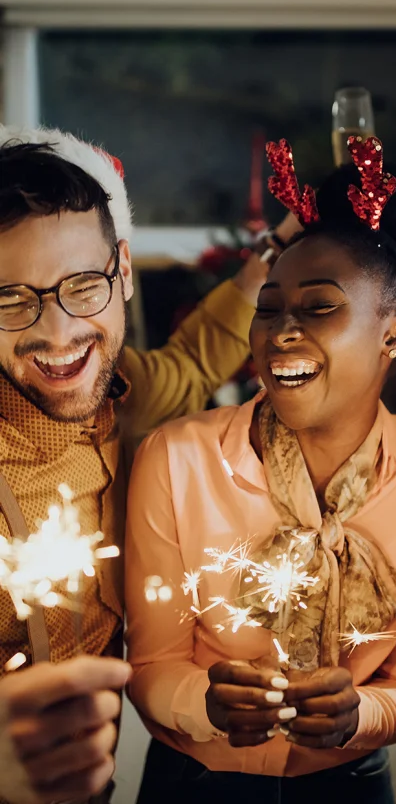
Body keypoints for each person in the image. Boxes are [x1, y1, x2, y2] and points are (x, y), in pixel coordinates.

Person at [125, 137, 396, 804]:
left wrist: (360, 716)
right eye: (267, 309)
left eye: (319, 307)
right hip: (192, 785)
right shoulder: (176, 459)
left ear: (395, 334)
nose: (281, 330)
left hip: (350, 786)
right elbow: (149, 669)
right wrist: (204, 701)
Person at [0, 126, 294, 804]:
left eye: (82, 284)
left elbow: (194, 359)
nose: (57, 332)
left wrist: (286, 239)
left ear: (123, 272)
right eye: (12, 298)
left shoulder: (124, 387)